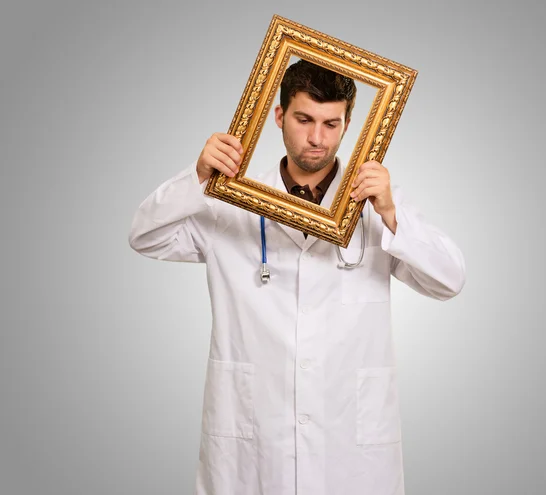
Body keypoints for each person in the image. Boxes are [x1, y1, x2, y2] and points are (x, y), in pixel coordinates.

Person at [129, 59, 466, 495]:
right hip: (253, 447)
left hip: (351, 449)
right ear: (278, 116)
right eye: (304, 119)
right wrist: (197, 178)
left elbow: (449, 280)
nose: (316, 138)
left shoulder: (376, 205)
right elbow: (145, 236)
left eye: (331, 123)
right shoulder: (230, 199)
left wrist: (390, 214)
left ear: (348, 125)